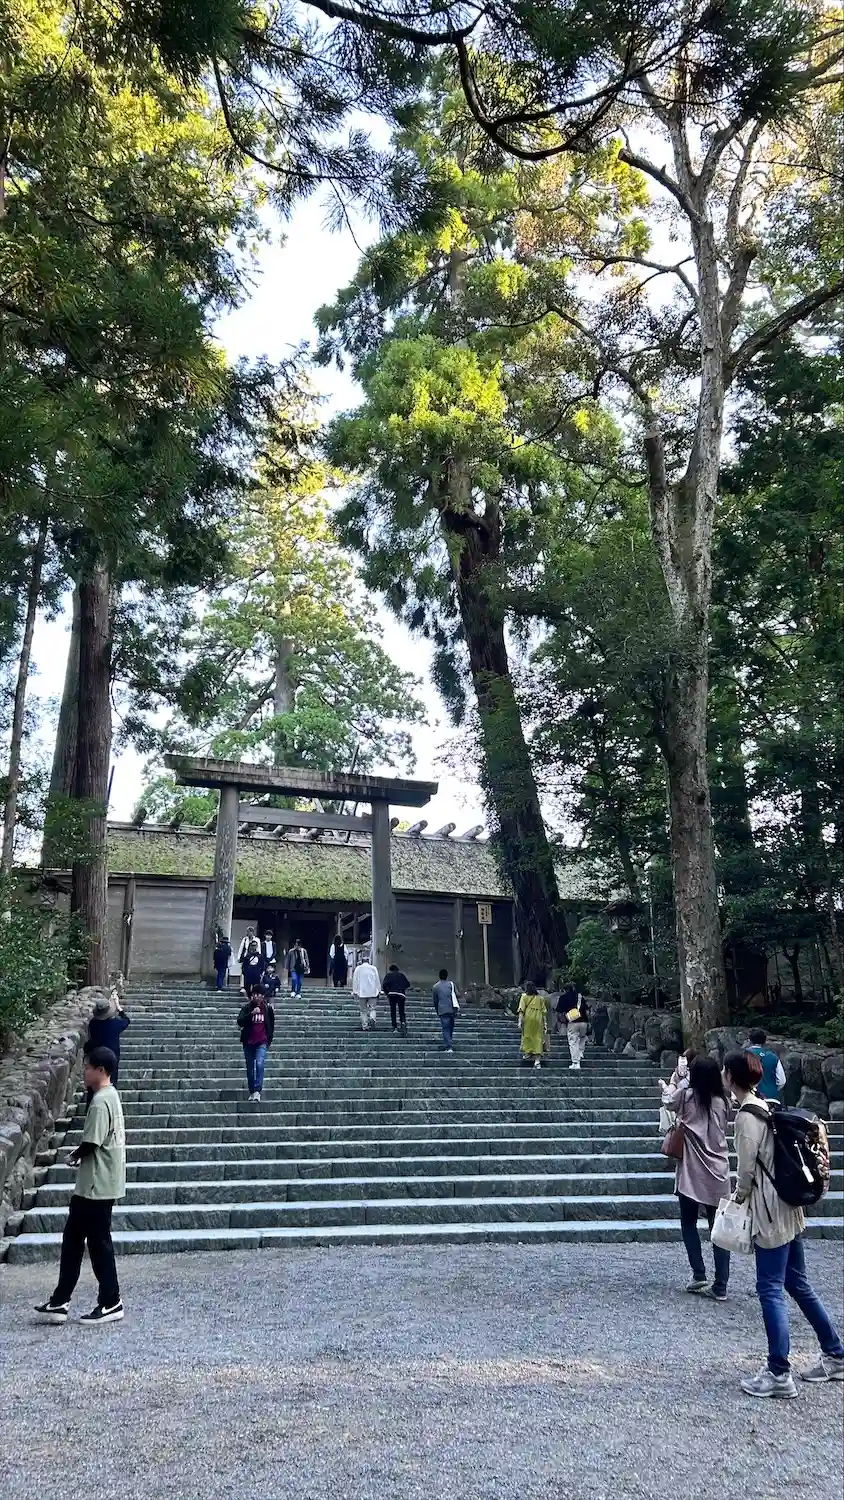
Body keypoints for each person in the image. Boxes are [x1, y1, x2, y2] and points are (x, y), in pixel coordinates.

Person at [724, 1049, 844, 1396]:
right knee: (797, 1283)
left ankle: (778, 1372)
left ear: (730, 1077)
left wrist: (735, 1201)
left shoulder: (746, 1116)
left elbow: (746, 1173)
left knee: (770, 1288)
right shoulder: (767, 1105)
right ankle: (835, 1354)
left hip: (769, 1210)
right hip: (789, 1206)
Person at [34, 1047, 126, 1326]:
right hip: (99, 1183)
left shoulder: (100, 1102)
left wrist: (72, 1156)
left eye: (87, 1067)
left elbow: (92, 1143)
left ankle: (111, 1300)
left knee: (97, 1244)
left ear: (101, 1070)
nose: (83, 1071)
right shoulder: (111, 1096)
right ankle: (60, 1300)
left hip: (96, 1184)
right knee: (75, 1239)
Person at [659, 1055, 731, 1301]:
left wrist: (673, 1082)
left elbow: (668, 1101)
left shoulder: (687, 1096)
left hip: (691, 1168)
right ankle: (721, 1284)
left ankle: (699, 1273)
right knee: (718, 1228)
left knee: (688, 1221)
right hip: (718, 1168)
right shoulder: (723, 1101)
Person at [237, 989, 276, 1102]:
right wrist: (251, 1014)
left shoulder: (267, 1009)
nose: (255, 996)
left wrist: (268, 1040)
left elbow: (271, 1025)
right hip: (248, 1042)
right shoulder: (247, 1008)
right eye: (254, 994)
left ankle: (258, 1090)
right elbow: (240, 1021)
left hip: (262, 1042)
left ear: (263, 996)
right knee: (250, 1069)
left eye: (258, 994)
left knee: (259, 1063)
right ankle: (252, 1091)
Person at [746, 1028, 787, 1100]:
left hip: (748, 1098)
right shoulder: (773, 1057)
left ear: (749, 1040)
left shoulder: (742, 1056)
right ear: (764, 1041)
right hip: (770, 1098)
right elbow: (782, 1081)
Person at [518, 982, 547, 1069]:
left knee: (527, 1036)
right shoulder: (540, 998)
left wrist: (519, 1021)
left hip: (528, 1018)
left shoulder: (524, 997)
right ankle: (537, 1061)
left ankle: (528, 1053)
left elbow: (521, 1010)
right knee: (538, 1038)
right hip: (538, 1019)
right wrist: (545, 1023)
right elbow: (544, 1012)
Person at [352, 951, 381, 1029]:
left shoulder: (358, 969)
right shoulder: (373, 968)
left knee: (363, 1010)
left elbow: (355, 980)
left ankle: (365, 1025)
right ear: (369, 961)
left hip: (362, 992)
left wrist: (355, 991)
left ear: (361, 961)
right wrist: (379, 990)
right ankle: (372, 1018)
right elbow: (377, 980)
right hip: (372, 992)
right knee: (372, 1008)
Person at [432, 969, 459, 1053]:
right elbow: (457, 994)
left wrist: (437, 1010)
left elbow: (435, 1000)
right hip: (452, 1009)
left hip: (443, 1010)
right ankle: (449, 1043)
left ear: (439, 976)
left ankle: (448, 1046)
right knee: (450, 1028)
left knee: (446, 1028)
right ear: (447, 976)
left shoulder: (436, 987)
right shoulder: (451, 984)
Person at [382, 963, 411, 1034]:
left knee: (393, 1011)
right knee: (401, 1010)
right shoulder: (401, 975)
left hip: (392, 994)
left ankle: (394, 1026)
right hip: (401, 994)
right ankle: (403, 1022)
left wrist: (387, 992)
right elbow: (408, 984)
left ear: (390, 970)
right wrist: (402, 988)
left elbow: (384, 985)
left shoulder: (388, 975)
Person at [566, 992, 589, 1070]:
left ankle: (576, 1062)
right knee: (582, 1038)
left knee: (573, 1042)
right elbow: (587, 1011)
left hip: (573, 1022)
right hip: (584, 1022)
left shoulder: (567, 998)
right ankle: (580, 1053)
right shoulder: (581, 997)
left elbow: (561, 1009)